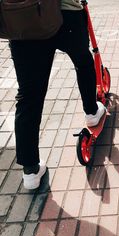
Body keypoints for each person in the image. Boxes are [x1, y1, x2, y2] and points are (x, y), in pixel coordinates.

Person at [10, 0, 105, 190]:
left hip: (23, 21)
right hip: (66, 15)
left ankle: (30, 170)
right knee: (83, 63)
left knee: (29, 96)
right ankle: (92, 112)